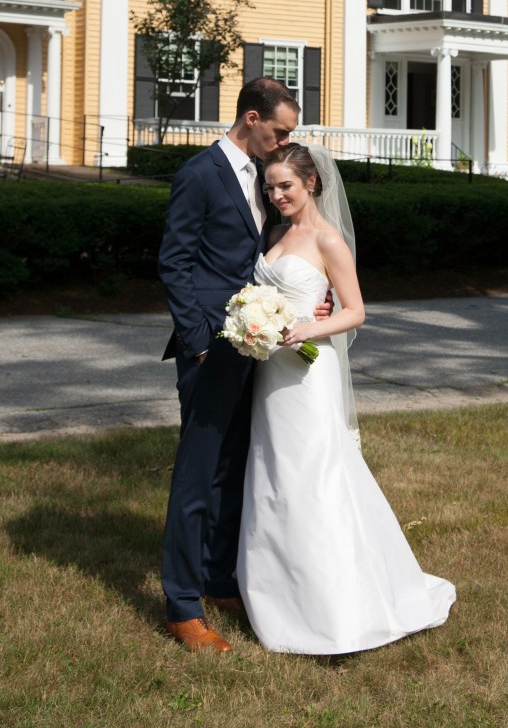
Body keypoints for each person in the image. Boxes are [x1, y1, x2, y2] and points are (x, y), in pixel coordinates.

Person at [235, 142, 456, 654]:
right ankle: (276, 596)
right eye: (270, 187)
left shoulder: (329, 240)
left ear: (311, 183)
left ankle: (335, 607)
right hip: (272, 374)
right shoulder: (274, 234)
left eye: (285, 185)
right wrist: (255, 324)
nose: (276, 195)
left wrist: (304, 329)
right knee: (273, 475)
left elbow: (355, 311)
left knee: (314, 476)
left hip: (309, 373)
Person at [158, 77, 329, 654]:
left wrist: (311, 301)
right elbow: (174, 263)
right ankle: (181, 606)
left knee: (233, 467)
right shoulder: (200, 174)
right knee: (196, 476)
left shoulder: (264, 177)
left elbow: (274, 254)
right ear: (251, 118)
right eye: (280, 130)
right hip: (210, 349)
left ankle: (218, 579)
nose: (285, 141)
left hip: (255, 344)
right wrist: (200, 342)